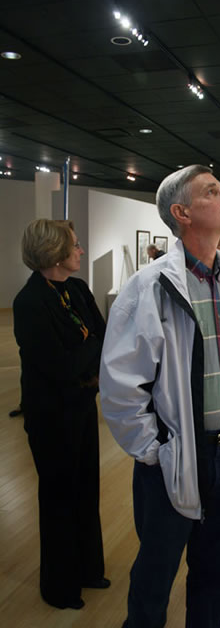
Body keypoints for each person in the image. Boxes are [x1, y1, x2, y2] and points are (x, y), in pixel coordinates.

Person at [100, 164, 220, 628]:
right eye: (212, 192)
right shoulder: (149, 287)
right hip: (176, 456)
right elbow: (120, 385)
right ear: (182, 213)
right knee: (155, 575)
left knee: (219, 574)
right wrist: (154, 450)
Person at [13, 219, 109, 610]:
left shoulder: (77, 289)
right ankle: (59, 587)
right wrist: (90, 350)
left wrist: (88, 353)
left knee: (86, 488)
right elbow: (60, 366)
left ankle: (88, 569)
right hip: (51, 415)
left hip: (82, 405)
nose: (80, 250)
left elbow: (103, 336)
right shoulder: (30, 302)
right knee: (58, 497)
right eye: (75, 245)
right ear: (55, 253)